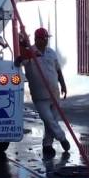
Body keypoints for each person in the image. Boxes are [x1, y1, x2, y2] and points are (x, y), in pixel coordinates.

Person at [15, 27, 70, 158]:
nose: (46, 41)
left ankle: (47, 145)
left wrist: (63, 84)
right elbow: (19, 61)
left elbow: (58, 70)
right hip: (40, 96)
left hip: (54, 93)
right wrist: (22, 47)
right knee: (49, 119)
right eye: (43, 39)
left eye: (47, 38)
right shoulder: (30, 53)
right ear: (37, 39)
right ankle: (62, 138)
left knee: (52, 121)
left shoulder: (51, 53)